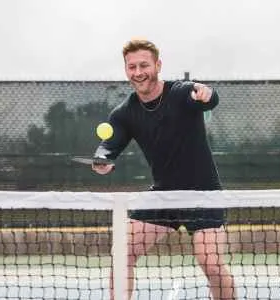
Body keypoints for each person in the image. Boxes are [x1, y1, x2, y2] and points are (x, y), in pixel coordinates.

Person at [92, 39, 237, 300]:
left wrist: (207, 93)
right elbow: (108, 147)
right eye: (132, 66)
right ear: (126, 70)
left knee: (211, 263)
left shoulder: (181, 93)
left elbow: (208, 96)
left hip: (204, 195)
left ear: (158, 65)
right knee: (122, 253)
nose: (138, 72)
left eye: (144, 65)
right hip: (163, 195)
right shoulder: (124, 113)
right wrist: (101, 160)